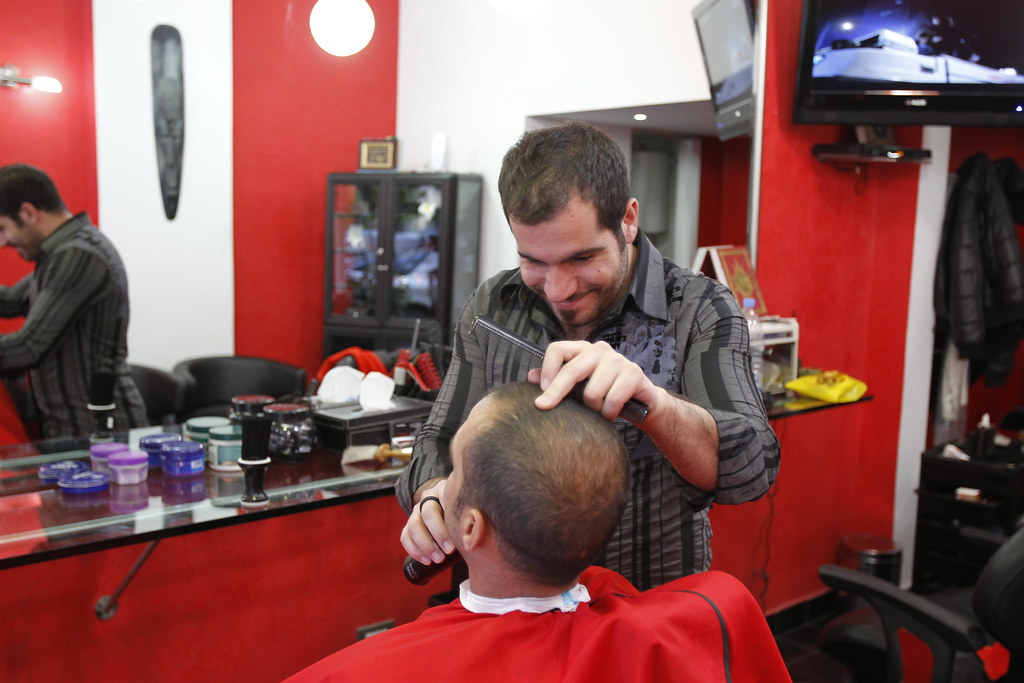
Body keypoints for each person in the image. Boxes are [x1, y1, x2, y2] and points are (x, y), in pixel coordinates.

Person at [397, 121, 780, 589]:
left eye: (581, 259)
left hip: (644, 610)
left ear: (628, 219)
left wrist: (655, 407)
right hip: (511, 614)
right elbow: (440, 436)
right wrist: (434, 495)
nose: (558, 290)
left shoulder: (699, 310)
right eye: (534, 261)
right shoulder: (494, 307)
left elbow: (750, 470)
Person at [287, 383, 791, 682]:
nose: (444, 483)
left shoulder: (372, 670)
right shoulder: (682, 624)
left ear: (470, 527)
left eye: (454, 472)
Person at [0, 164, 146, 438]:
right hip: (71, 426)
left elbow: (28, 347)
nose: (3, 242)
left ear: (28, 213)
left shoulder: (79, 255)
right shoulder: (59, 254)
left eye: (3, 228)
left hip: (97, 429)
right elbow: (9, 301)